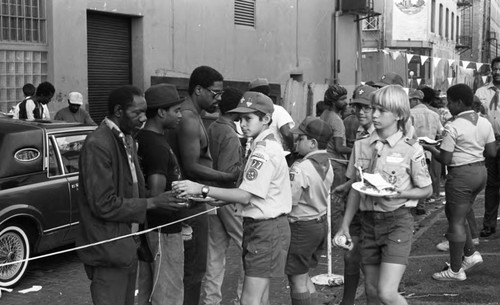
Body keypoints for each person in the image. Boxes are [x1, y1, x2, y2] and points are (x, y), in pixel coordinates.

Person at [172, 91, 292, 305]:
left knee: (250, 299)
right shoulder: (262, 145)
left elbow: (246, 195)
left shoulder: (263, 151)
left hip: (265, 228)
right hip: (266, 226)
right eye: (240, 118)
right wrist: (225, 199)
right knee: (260, 297)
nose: (242, 124)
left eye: (248, 119)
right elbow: (256, 191)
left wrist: (201, 189)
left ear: (265, 119)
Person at [76, 85, 188, 305]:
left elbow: (132, 190)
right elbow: (103, 204)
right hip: (107, 249)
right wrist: (153, 202)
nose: (143, 118)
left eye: (145, 112)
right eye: (137, 113)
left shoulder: (127, 140)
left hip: (127, 247)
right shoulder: (98, 144)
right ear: (119, 111)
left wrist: (169, 200)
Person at [334, 85, 432, 305]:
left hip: (397, 221)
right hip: (368, 223)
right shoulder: (361, 146)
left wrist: (401, 194)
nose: (374, 115)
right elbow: (357, 189)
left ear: (398, 114)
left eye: (381, 110)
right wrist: (345, 225)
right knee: (371, 290)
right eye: (373, 109)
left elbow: (427, 189)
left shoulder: (411, 149)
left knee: (387, 293)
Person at [165, 66, 237, 305]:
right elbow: (192, 166)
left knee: (196, 270)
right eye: (215, 93)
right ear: (198, 89)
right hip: (192, 202)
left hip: (198, 200)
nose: (218, 98)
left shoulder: (194, 116)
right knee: (193, 272)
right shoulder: (188, 118)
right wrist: (226, 178)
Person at [425, 84, 496, 281]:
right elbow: (491, 152)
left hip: (461, 174)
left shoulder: (452, 126)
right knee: (457, 213)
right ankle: (470, 254)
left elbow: (446, 159)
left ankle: (455, 270)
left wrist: (430, 149)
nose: (447, 106)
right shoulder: (484, 122)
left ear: (458, 102)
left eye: (449, 102)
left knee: (455, 220)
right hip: (480, 172)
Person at [136, 84, 186, 305]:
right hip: (164, 230)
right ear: (161, 112)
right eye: (176, 110)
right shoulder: (155, 145)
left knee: (151, 290)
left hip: (153, 229)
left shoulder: (146, 138)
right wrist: (187, 201)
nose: (180, 115)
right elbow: (157, 196)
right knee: (168, 293)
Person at [332, 84, 377, 305]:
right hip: (358, 208)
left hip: (377, 211)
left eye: (366, 108)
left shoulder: (382, 137)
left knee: (372, 272)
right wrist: (347, 185)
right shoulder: (360, 135)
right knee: (350, 257)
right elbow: (358, 175)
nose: (361, 112)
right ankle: (346, 301)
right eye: (357, 107)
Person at [202, 88, 245, 305]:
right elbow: (229, 173)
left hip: (210, 197)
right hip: (227, 197)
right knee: (248, 248)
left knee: (214, 255)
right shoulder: (229, 134)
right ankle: (243, 299)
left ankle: (211, 301)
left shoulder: (212, 127)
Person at [286, 117, 333, 305]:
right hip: (319, 223)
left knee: (296, 279)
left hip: (301, 227)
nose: (297, 142)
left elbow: (289, 200)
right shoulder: (328, 164)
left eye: (301, 139)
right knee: (304, 276)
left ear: (312, 143)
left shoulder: (301, 168)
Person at [475, 56, 500, 238]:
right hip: (490, 143)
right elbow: (474, 116)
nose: (497, 72)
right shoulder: (481, 92)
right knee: (491, 185)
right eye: (495, 69)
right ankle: (489, 224)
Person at [409, 88, 444, 215]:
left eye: (410, 100)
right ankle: (421, 205)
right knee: (424, 177)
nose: (409, 103)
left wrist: (414, 144)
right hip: (428, 152)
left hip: (411, 150)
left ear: (416, 100)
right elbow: (442, 134)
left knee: (411, 178)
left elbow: (406, 135)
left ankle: (413, 204)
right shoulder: (434, 115)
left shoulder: (410, 113)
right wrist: (432, 144)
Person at [248, 77, 295, 153]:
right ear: (269, 93)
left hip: (253, 152)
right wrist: (292, 148)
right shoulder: (278, 110)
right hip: (273, 153)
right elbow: (286, 133)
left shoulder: (248, 111)